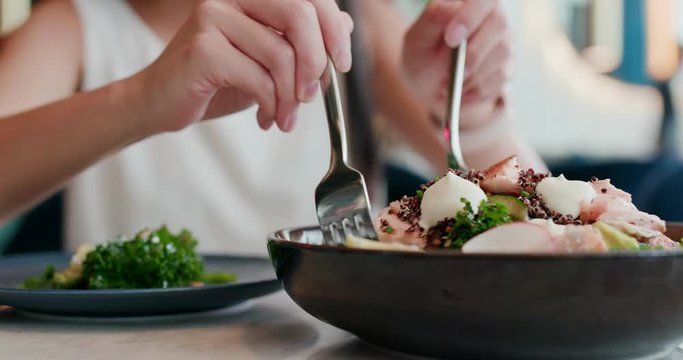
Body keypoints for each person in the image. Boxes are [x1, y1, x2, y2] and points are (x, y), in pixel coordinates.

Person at [0, 0, 543, 255]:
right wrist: (142, 97)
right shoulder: (72, 27)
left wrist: (470, 113)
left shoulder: (357, 21)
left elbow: (542, 217)